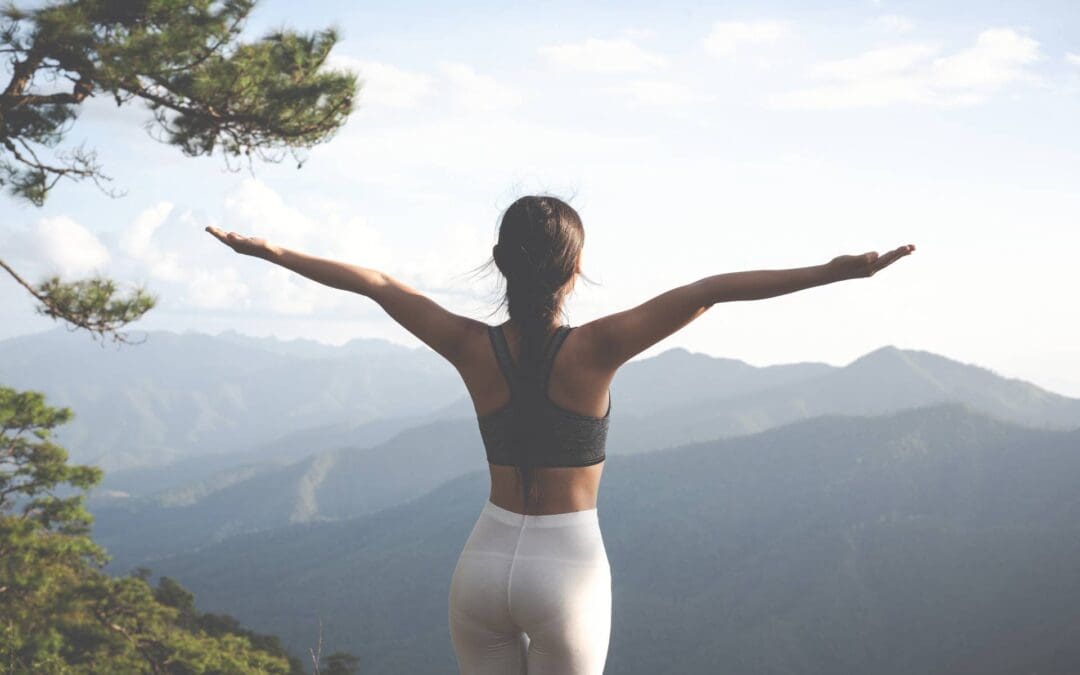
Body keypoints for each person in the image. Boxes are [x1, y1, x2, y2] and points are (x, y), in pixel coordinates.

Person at [205, 195, 915, 674]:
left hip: (480, 564)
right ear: (575, 268)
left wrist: (272, 252)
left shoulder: (467, 343)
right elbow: (711, 290)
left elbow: (379, 284)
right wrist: (833, 273)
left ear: (499, 260)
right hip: (568, 569)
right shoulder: (598, 348)